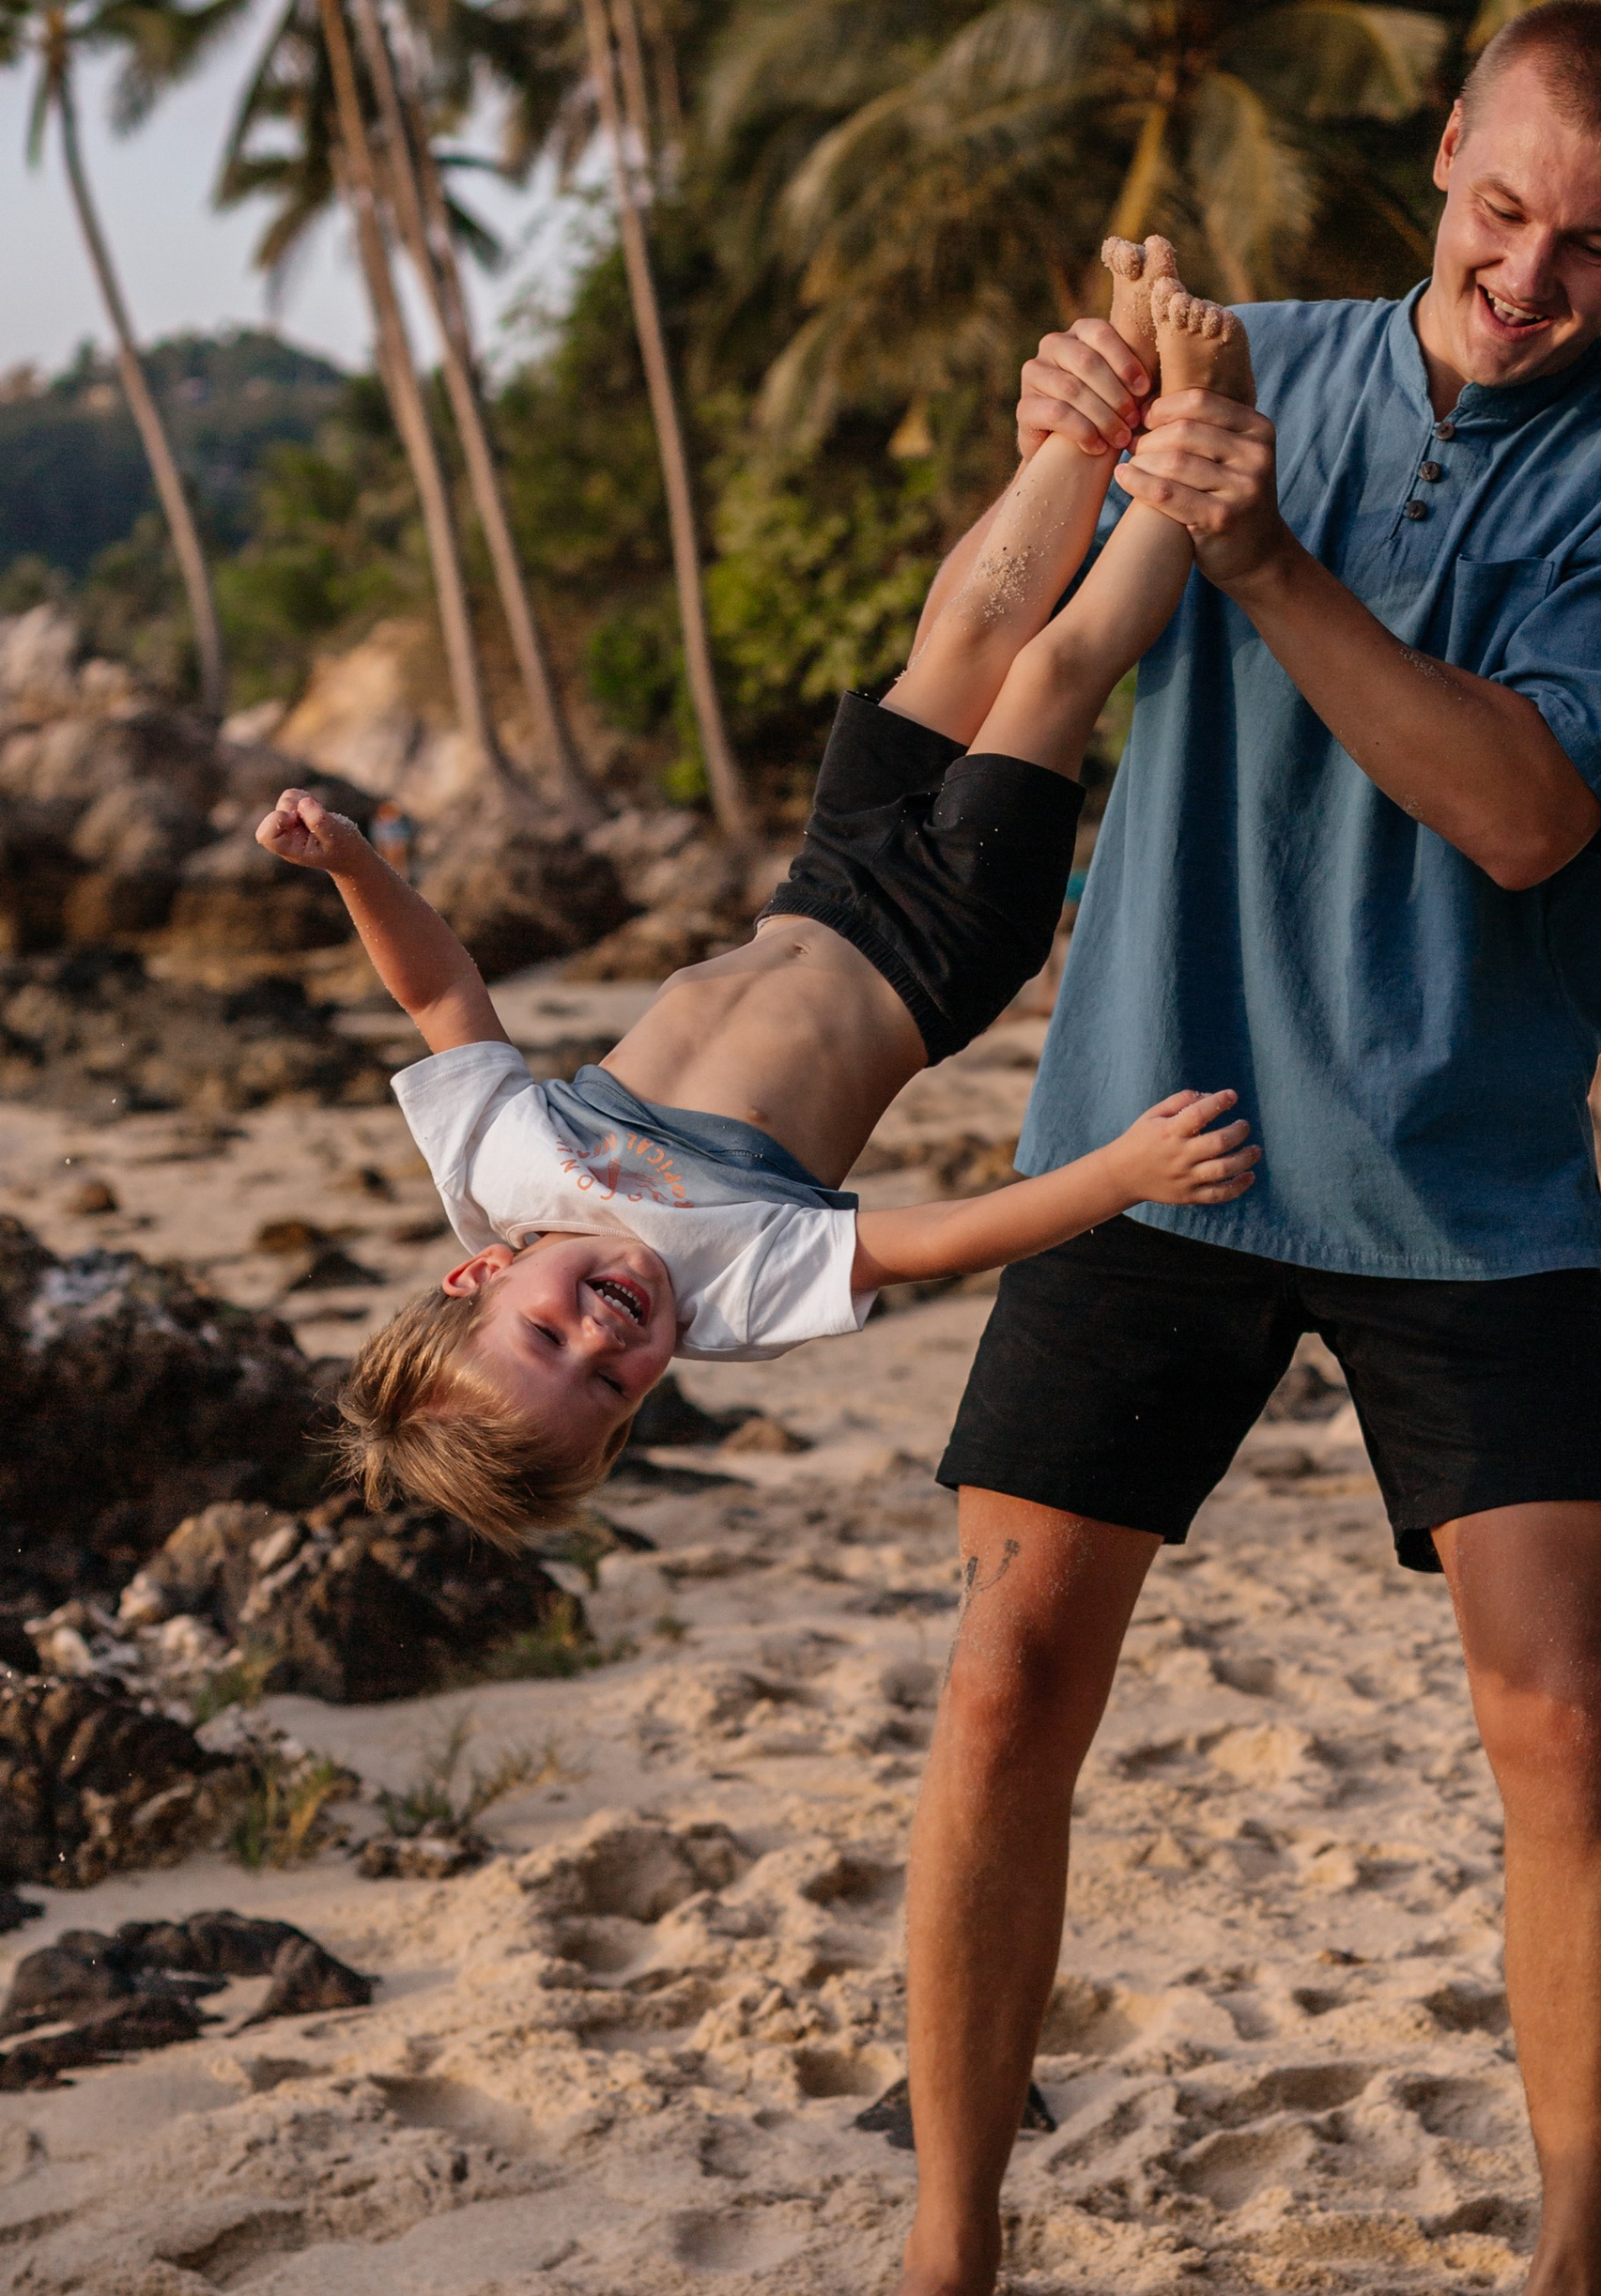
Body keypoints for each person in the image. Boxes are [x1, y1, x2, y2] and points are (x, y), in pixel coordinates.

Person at [825, 0, 1601, 2296]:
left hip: (1462, 1169)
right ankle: (948, 2240)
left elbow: (1526, 816)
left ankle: (1577, 2271)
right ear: (1444, 151)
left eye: (1597, 245)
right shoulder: (1247, 367)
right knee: (1013, 1678)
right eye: (1499, 209)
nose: (1529, 272)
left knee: (1560, 1715)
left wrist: (1260, 545)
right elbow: (995, 651)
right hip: (1156, 1127)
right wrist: (1070, 445)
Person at [254, 245, 1260, 1547]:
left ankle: (1108, 387)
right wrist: (1119, 1171)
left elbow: (439, 986)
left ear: (481, 1273)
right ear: (637, 1410)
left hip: (824, 879)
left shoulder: (497, 1165)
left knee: (959, 634)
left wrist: (355, 865)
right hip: (940, 944)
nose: (602, 1335)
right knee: (1055, 671)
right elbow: (941, 1237)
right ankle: (1193, 446)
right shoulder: (737, 1292)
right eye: (608, 1383)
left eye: (545, 1333)